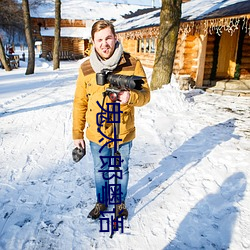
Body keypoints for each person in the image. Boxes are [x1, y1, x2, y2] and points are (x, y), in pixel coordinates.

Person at [72, 20, 150, 220]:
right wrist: (77, 134)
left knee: (121, 169)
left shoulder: (132, 64)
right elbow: (80, 102)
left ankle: (120, 202)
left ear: (115, 38)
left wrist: (130, 97)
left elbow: (146, 95)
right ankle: (102, 201)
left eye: (108, 38)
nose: (104, 43)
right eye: (99, 40)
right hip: (97, 133)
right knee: (100, 170)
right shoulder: (86, 68)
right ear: (93, 42)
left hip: (123, 131)